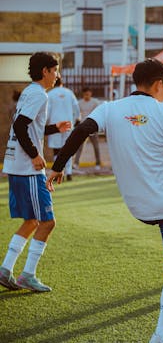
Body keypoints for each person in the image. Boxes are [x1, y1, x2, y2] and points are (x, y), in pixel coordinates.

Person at [46, 58, 163, 342]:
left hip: (138, 207)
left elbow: (80, 132)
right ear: (160, 84)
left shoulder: (109, 109)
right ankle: (161, 334)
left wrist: (58, 166)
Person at [0, 52, 71, 292]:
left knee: (31, 221)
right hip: (28, 169)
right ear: (45, 71)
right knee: (47, 222)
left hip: (19, 167)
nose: (57, 76)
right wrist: (34, 155)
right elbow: (20, 126)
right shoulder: (38, 94)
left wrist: (53, 128)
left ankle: (5, 269)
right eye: (56, 70)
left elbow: (27, 126)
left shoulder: (31, 92)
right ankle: (27, 275)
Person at [46, 76, 80, 181]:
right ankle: (69, 173)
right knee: (68, 149)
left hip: (55, 126)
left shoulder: (50, 94)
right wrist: (74, 122)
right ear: (62, 83)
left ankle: (58, 173)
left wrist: (46, 125)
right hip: (68, 125)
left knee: (57, 150)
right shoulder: (69, 93)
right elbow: (77, 109)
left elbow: (46, 112)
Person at [74, 87, 101, 170]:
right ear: (83, 94)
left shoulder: (95, 102)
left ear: (91, 93)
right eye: (85, 94)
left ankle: (98, 163)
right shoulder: (79, 103)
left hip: (93, 126)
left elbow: (99, 113)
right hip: (83, 126)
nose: (87, 96)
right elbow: (77, 114)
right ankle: (76, 163)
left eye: (88, 94)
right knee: (79, 146)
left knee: (96, 146)